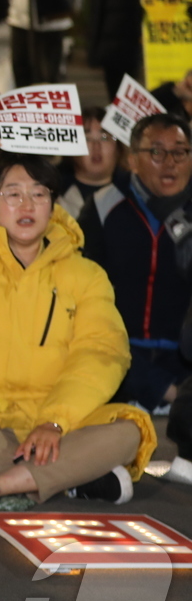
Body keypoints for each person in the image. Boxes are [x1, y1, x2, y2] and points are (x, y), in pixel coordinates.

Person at [0, 125, 153, 507]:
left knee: (128, 431)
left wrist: (54, 422)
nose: (27, 205)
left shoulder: (84, 274)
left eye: (39, 194)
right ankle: (69, 478)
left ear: (53, 206)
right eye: (12, 194)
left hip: (59, 425)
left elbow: (102, 352)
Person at [79, 113, 192, 415]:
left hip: (184, 360)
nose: (170, 162)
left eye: (180, 152)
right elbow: (83, 300)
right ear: (132, 160)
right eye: (156, 152)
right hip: (118, 355)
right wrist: (159, 386)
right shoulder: (103, 206)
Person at [57, 109, 119, 218]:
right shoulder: (53, 194)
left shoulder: (134, 193)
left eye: (104, 138)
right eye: (87, 139)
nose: (96, 146)